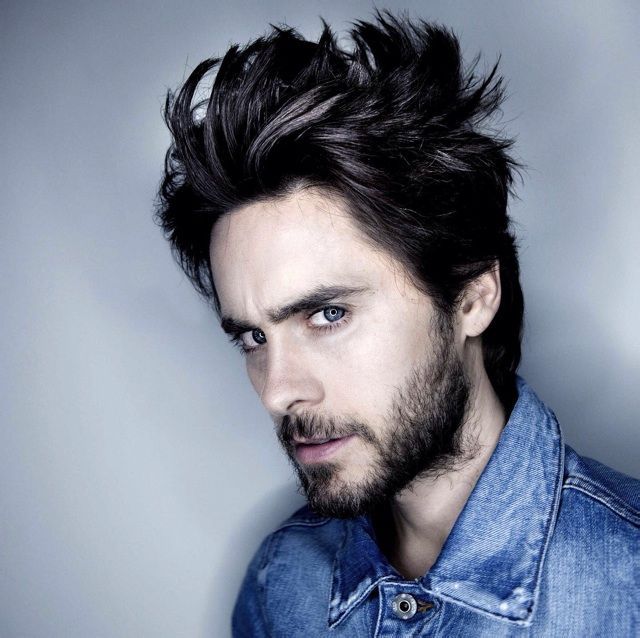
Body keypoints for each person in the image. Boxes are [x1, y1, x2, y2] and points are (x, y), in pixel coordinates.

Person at [156, 12, 639, 637]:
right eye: (254, 337)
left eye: (327, 314)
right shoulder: (283, 583)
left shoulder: (626, 581)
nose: (277, 392)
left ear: (472, 297)